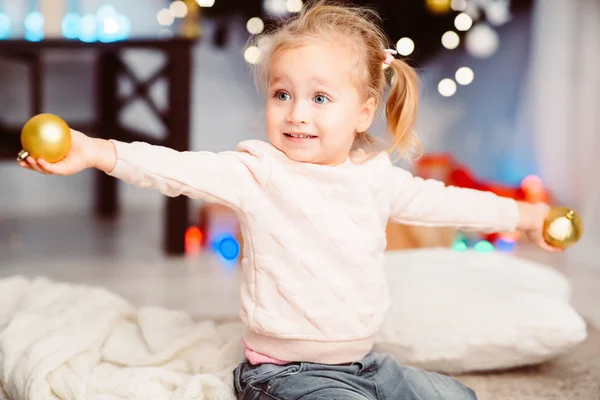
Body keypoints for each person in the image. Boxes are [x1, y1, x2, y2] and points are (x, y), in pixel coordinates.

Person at [18, 1, 558, 398]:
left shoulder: (374, 178)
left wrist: (525, 215)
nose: (298, 112)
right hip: (283, 374)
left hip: (365, 362)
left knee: (460, 398)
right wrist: (95, 150)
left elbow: (447, 203)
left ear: (364, 111)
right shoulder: (257, 173)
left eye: (321, 98)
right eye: (283, 94)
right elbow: (173, 169)